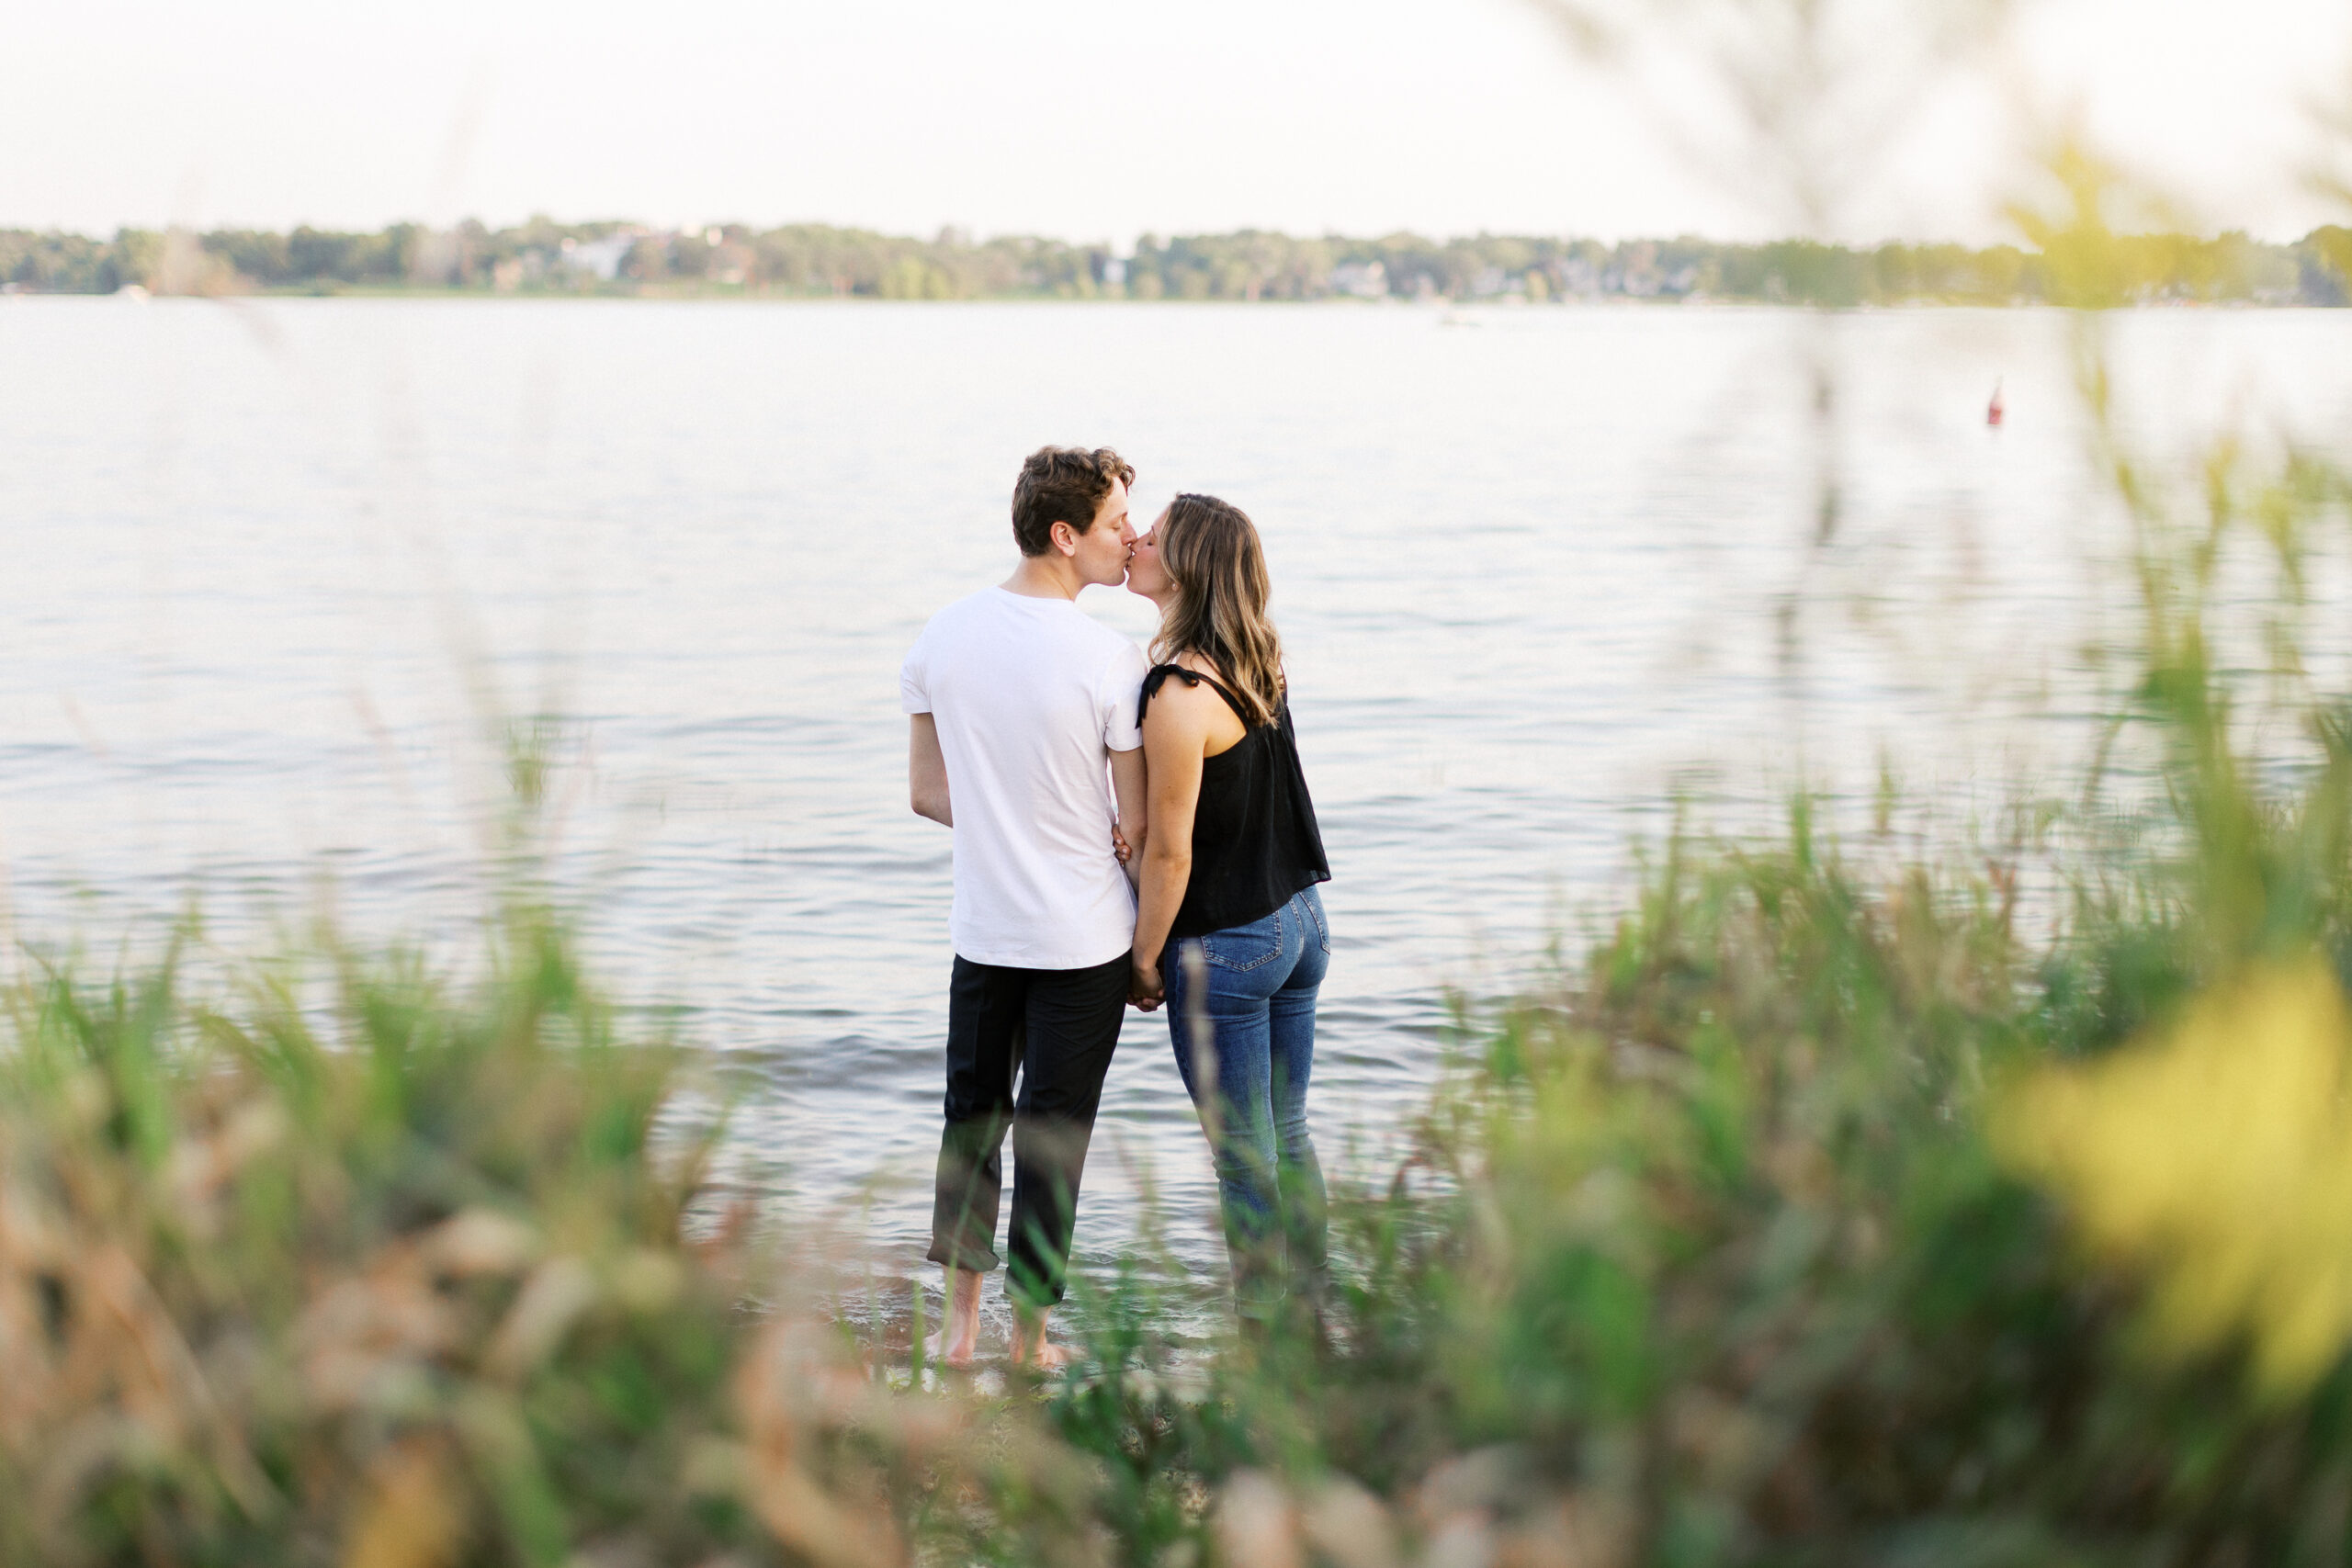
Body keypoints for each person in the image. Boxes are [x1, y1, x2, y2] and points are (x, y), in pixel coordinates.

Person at [901, 446, 1148, 1368]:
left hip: (985, 930)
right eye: (1118, 521)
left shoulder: (940, 636)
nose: (1129, 536)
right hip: (1083, 940)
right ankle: (1030, 1342)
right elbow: (1136, 821)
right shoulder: (1109, 658)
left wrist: (1006, 812)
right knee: (1052, 1137)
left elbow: (928, 793)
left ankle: (957, 1336)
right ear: (1064, 534)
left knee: (972, 1119)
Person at [1123, 493, 1332, 1326]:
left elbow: (1171, 853)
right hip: (1301, 922)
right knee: (1287, 1134)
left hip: (1232, 944)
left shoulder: (1177, 692)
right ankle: (1313, 1313)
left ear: (1186, 568)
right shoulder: (1257, 659)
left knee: (1245, 1161)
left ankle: (1263, 1343)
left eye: (1154, 535)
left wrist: (1143, 959)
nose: (1136, 540)